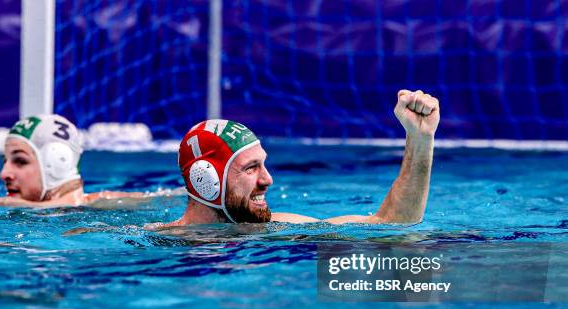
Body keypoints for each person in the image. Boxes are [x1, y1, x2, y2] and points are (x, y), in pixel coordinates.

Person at [146, 89, 439, 228]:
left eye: (263, 164)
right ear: (206, 180)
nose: (268, 179)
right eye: (251, 168)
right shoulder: (154, 242)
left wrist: (421, 138)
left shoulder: (278, 227)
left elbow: (392, 222)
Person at [0, 114, 148, 208]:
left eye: (20, 161)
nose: (4, 173)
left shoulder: (113, 206)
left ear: (57, 162)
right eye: (5, 161)